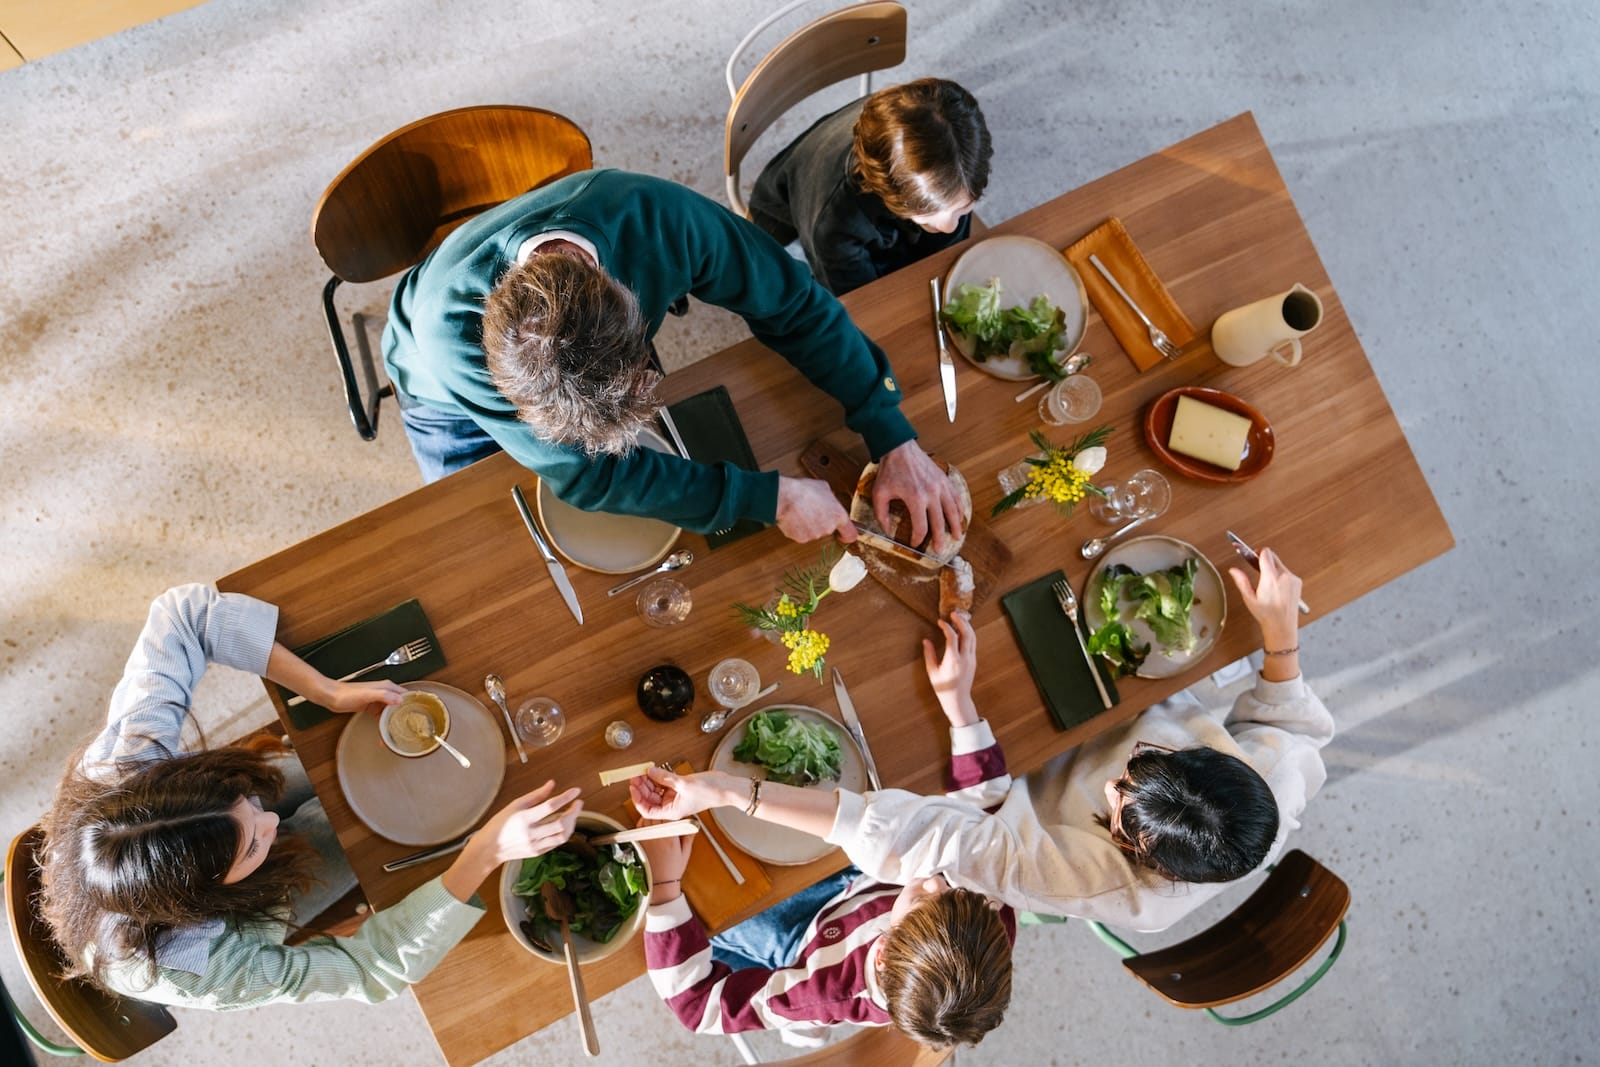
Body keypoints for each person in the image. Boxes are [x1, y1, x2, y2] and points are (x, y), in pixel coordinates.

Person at [635, 549, 1333, 932]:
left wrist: (725, 790)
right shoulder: (1267, 793)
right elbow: (1291, 722)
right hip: (1092, 702)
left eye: (1119, 800)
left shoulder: (1081, 882)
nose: (1120, 778)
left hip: (1009, 777)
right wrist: (1279, 636)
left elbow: (912, 831)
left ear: (1140, 854)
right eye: (1149, 764)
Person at [38, 584, 583, 1009]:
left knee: (353, 789)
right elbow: (374, 968)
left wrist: (325, 690)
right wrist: (485, 852)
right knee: (367, 832)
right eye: (252, 847)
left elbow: (183, 615)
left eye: (246, 802)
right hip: (239, 918)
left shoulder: (124, 769)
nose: (272, 824)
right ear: (204, 900)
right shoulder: (207, 973)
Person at [381, 168, 963, 549]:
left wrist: (891, 432)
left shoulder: (661, 219)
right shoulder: (450, 332)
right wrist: (769, 498)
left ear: (631, 300)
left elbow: (793, 303)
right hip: (445, 408)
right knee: (492, 545)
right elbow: (589, 474)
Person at [629, 612, 1014, 1049]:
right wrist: (958, 703)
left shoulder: (828, 990)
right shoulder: (991, 918)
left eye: (926, 896)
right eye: (960, 892)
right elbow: (986, 818)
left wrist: (664, 886)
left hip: (799, 931)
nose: (938, 877)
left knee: (699, 890)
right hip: (857, 881)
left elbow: (698, 1006)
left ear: (884, 951)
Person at [749, 77, 991, 295]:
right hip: (784, 214)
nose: (950, 226)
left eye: (963, 208)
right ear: (890, 190)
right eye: (927, 213)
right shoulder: (833, 221)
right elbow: (862, 299)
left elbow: (942, 251)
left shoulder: (923, 122)